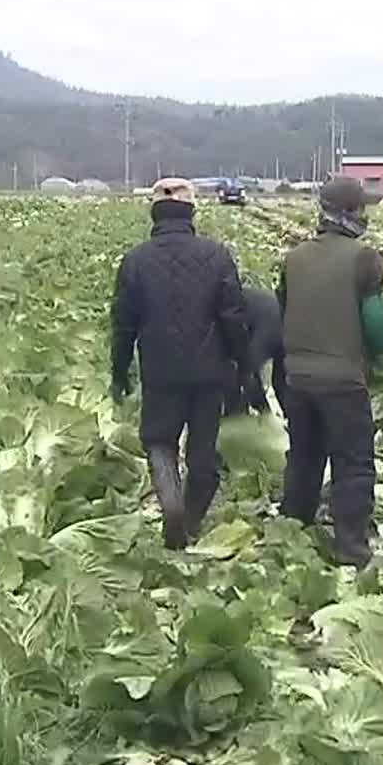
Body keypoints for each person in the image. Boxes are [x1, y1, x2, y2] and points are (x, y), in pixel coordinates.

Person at [110, 177, 254, 550]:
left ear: (154, 212)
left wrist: (119, 371)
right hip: (209, 371)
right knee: (203, 450)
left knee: (159, 441)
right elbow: (233, 317)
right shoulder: (216, 255)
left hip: (160, 370)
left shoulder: (135, 261)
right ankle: (189, 521)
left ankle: (171, 508)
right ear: (191, 211)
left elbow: (123, 324)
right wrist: (245, 364)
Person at [276, 175, 383, 567]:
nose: (366, 215)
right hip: (342, 379)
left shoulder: (294, 258)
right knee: (353, 461)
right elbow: (377, 324)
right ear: (348, 213)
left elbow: (284, 311)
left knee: (305, 455)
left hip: (297, 376)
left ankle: (292, 530)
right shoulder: (363, 258)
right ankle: (350, 544)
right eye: (362, 208)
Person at [224, 286, 285, 418]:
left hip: (268, 324)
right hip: (280, 322)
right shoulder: (236, 298)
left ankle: (253, 415)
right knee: (279, 380)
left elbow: (247, 371)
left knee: (247, 371)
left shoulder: (231, 301)